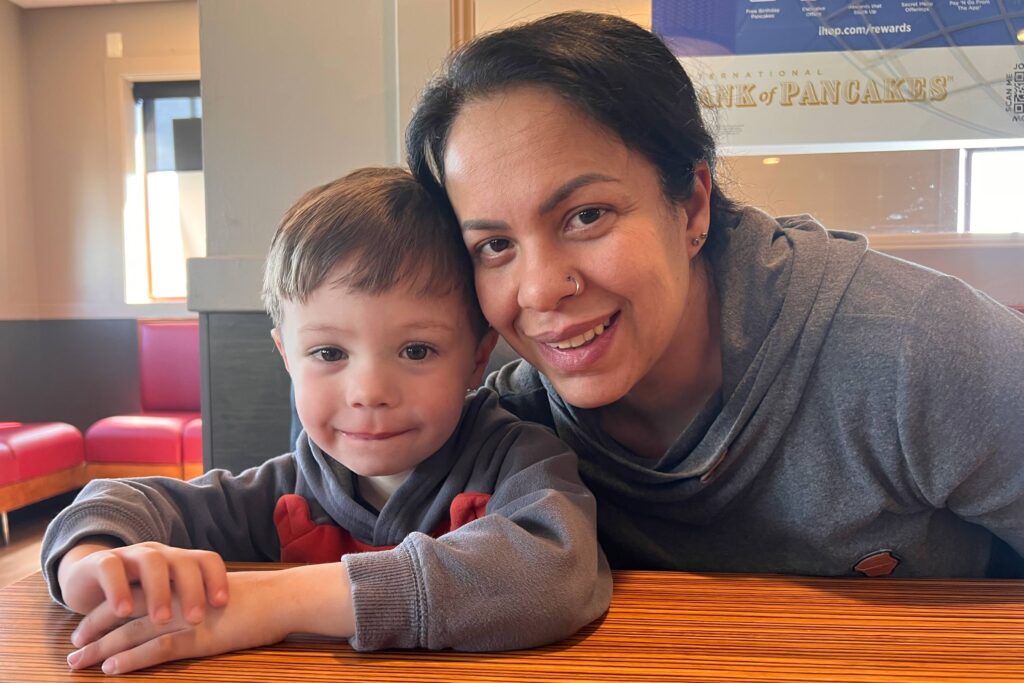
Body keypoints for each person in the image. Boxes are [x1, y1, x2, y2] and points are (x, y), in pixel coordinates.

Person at [406, 11, 1024, 578]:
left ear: (692, 205)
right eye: (494, 246)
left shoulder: (916, 348)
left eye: (587, 215)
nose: (540, 288)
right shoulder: (511, 431)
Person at [41, 167, 611, 675]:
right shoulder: (283, 492)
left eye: (416, 351)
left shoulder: (518, 458)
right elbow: (118, 501)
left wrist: (275, 602)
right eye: (329, 354)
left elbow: (555, 573)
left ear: (477, 357)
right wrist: (88, 559)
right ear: (287, 356)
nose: (368, 393)